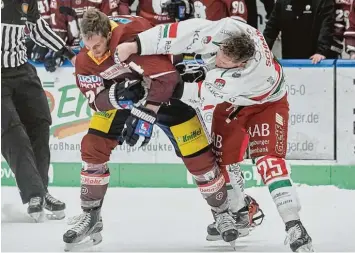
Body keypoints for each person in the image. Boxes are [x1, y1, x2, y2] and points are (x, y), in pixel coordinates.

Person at [62, 10, 262, 251]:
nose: (94, 52)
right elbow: (93, 100)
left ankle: (222, 213)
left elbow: (168, 78)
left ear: (109, 33)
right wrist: (116, 95)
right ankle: (90, 217)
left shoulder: (128, 39)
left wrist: (145, 113)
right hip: (124, 100)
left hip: (165, 95)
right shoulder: (85, 58)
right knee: (92, 145)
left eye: (98, 45)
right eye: (88, 46)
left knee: (200, 156)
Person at [115, 17, 314, 252]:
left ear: (239, 65)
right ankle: (241, 212)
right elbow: (185, 32)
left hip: (266, 104)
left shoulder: (248, 76)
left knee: (268, 162)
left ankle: (294, 225)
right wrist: (137, 44)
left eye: (225, 61)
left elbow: (195, 92)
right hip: (233, 103)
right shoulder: (234, 28)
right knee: (220, 158)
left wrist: (152, 89)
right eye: (219, 53)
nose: (218, 59)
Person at [1, 0, 75, 222]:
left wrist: (66, 51)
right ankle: (35, 194)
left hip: (22, 70)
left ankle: (41, 192)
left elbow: (38, 29)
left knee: (40, 123)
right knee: (14, 133)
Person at [263, 0, 335, 63]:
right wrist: (262, 52)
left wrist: (321, 52)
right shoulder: (282, 2)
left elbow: (327, 27)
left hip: (316, 60)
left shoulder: (323, 1)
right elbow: (270, 30)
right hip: (289, 61)